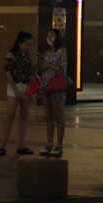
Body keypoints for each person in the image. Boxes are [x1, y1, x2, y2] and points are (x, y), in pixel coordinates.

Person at [0, 31, 35, 156]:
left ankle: (21, 145)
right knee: (10, 116)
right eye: (27, 45)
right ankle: (2, 146)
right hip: (15, 88)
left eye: (30, 45)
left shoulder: (27, 56)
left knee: (24, 117)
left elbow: (28, 71)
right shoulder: (11, 55)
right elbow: (7, 73)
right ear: (20, 43)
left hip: (26, 88)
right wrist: (16, 90)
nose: (28, 48)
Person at [39, 29, 68, 158]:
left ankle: (59, 144)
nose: (49, 37)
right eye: (48, 35)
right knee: (48, 116)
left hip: (57, 87)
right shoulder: (46, 52)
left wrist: (49, 65)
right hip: (45, 86)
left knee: (58, 116)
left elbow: (62, 69)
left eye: (52, 35)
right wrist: (45, 64)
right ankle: (49, 143)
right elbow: (41, 68)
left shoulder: (61, 51)